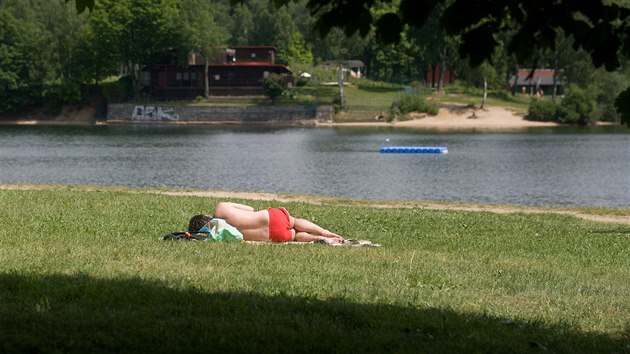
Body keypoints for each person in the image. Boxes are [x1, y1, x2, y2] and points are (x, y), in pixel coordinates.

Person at [188, 202, 344, 243]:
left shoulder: (219, 235)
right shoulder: (221, 208)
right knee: (294, 221)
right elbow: (250, 208)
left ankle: (321, 239)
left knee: (295, 235)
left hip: (272, 235)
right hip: (270, 217)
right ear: (206, 216)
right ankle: (323, 232)